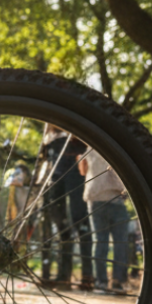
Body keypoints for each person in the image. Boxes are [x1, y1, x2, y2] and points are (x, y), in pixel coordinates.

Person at [38, 124, 94, 290]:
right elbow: (44, 155)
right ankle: (63, 275)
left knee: (80, 220)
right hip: (55, 172)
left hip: (74, 168)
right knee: (60, 224)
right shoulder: (49, 132)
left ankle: (87, 275)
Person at [79, 148, 129, 292]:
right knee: (120, 242)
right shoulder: (114, 146)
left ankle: (101, 282)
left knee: (100, 241)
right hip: (115, 197)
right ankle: (118, 281)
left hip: (94, 198)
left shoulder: (89, 148)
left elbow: (83, 170)